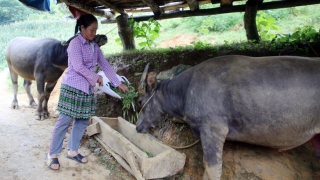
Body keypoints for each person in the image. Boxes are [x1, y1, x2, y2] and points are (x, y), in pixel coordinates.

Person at [46, 14, 129, 170]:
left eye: (96, 30)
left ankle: (72, 151)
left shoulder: (94, 46)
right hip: (72, 87)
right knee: (64, 121)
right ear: (82, 28)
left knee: (83, 120)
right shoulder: (74, 44)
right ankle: (52, 155)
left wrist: (118, 84)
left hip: (86, 89)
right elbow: (77, 66)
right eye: (91, 30)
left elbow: (105, 65)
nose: (94, 33)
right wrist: (96, 77)